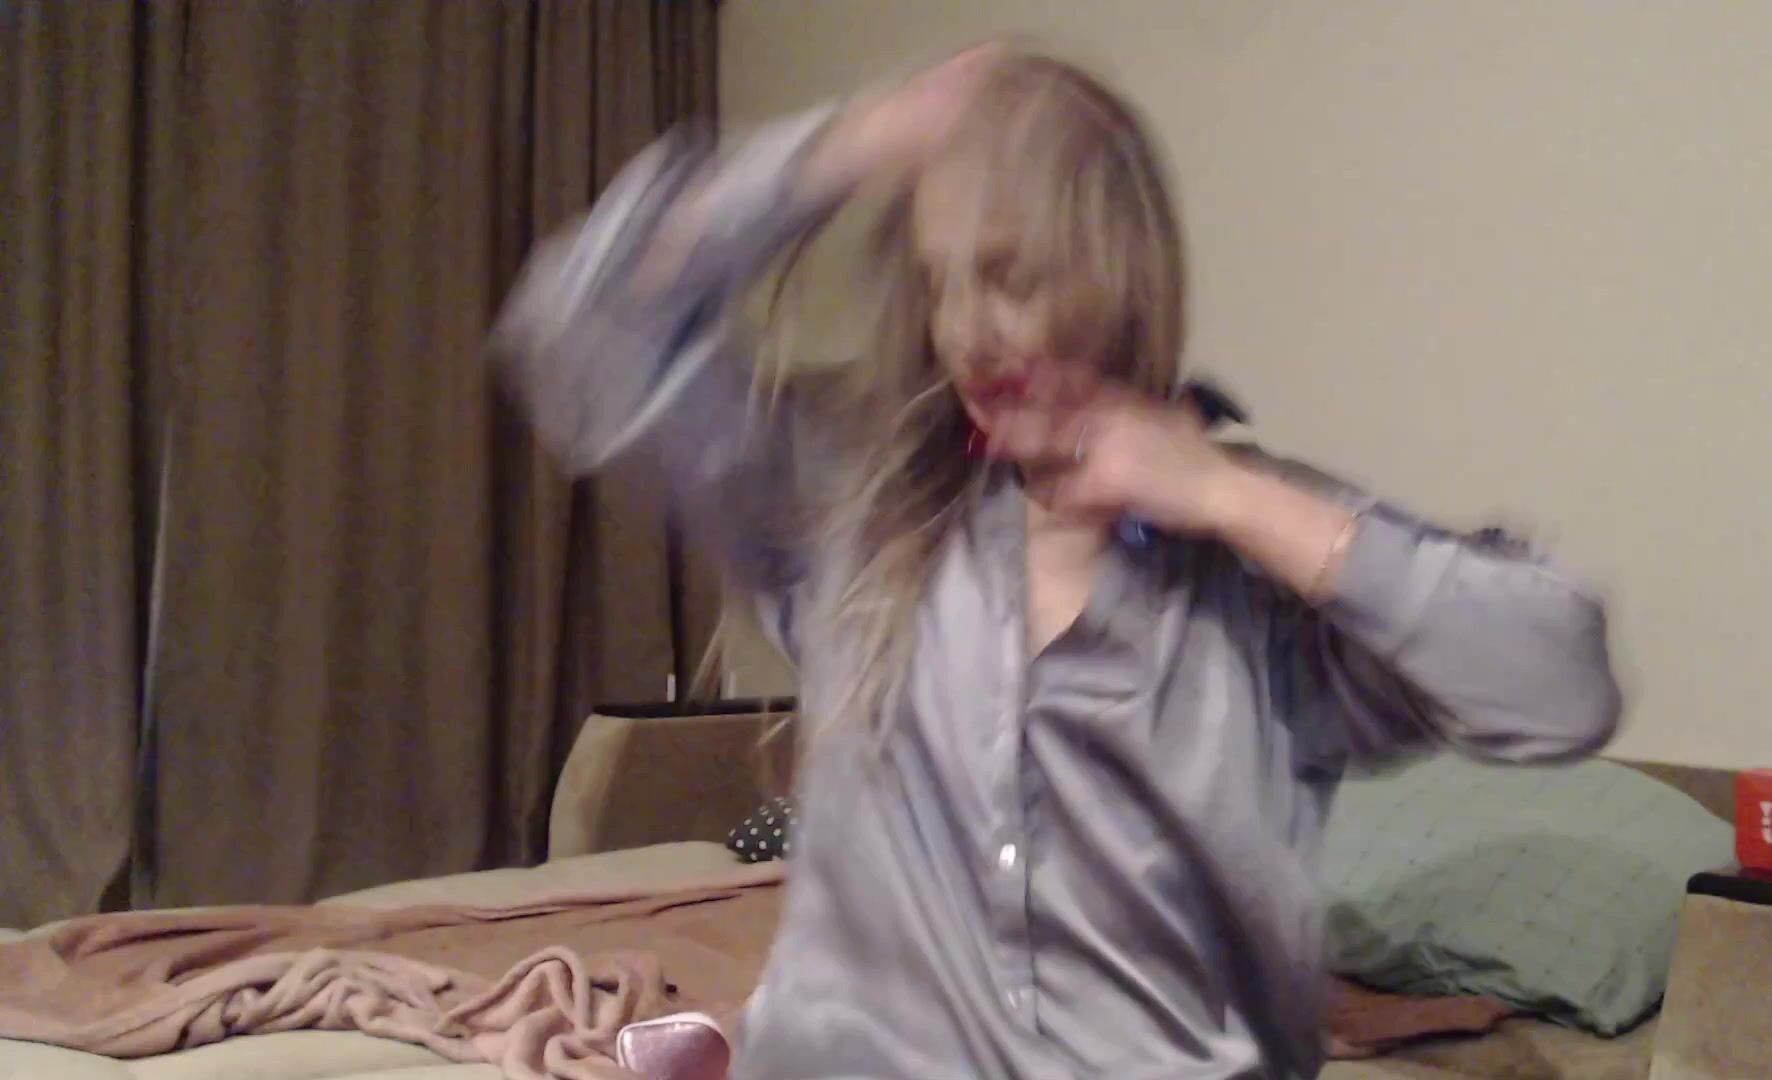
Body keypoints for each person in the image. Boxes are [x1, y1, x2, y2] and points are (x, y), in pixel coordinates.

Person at [494, 46, 1621, 1080]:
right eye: (942, 284)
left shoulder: (1257, 587)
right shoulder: (853, 521)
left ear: (1118, 269)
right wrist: (861, 140)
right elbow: (580, 321)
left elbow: (1559, 686)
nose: (971, 332)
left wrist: (1228, 495)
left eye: (1013, 276)